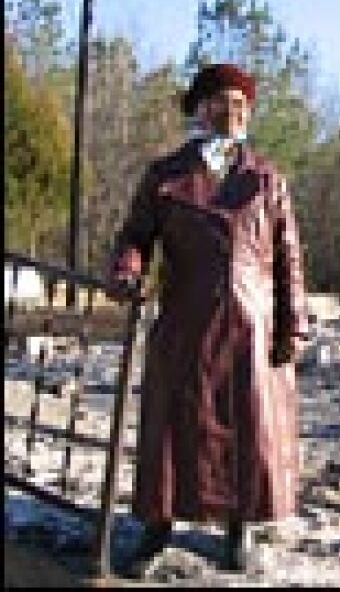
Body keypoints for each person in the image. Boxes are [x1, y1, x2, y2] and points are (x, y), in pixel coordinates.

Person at [105, 63, 310, 575]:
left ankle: (239, 530)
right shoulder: (166, 177)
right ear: (200, 109)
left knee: (248, 430)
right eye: (221, 103)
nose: (231, 113)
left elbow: (289, 258)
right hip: (185, 321)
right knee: (173, 429)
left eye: (241, 106)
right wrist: (127, 270)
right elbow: (135, 237)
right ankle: (157, 526)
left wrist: (293, 324)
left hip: (251, 325)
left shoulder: (266, 180)